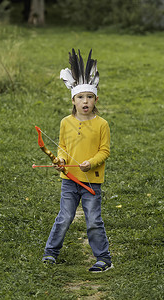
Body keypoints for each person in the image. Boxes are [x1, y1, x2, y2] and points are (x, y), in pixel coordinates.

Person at [42, 49, 113, 273]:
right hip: (69, 179)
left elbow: (105, 151)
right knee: (64, 217)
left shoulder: (102, 124)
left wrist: (91, 162)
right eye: (81, 97)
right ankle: (50, 253)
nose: (85, 101)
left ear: (95, 100)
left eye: (89, 97)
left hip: (91, 180)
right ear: (73, 100)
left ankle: (103, 259)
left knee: (93, 220)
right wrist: (60, 159)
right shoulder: (66, 122)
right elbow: (62, 147)